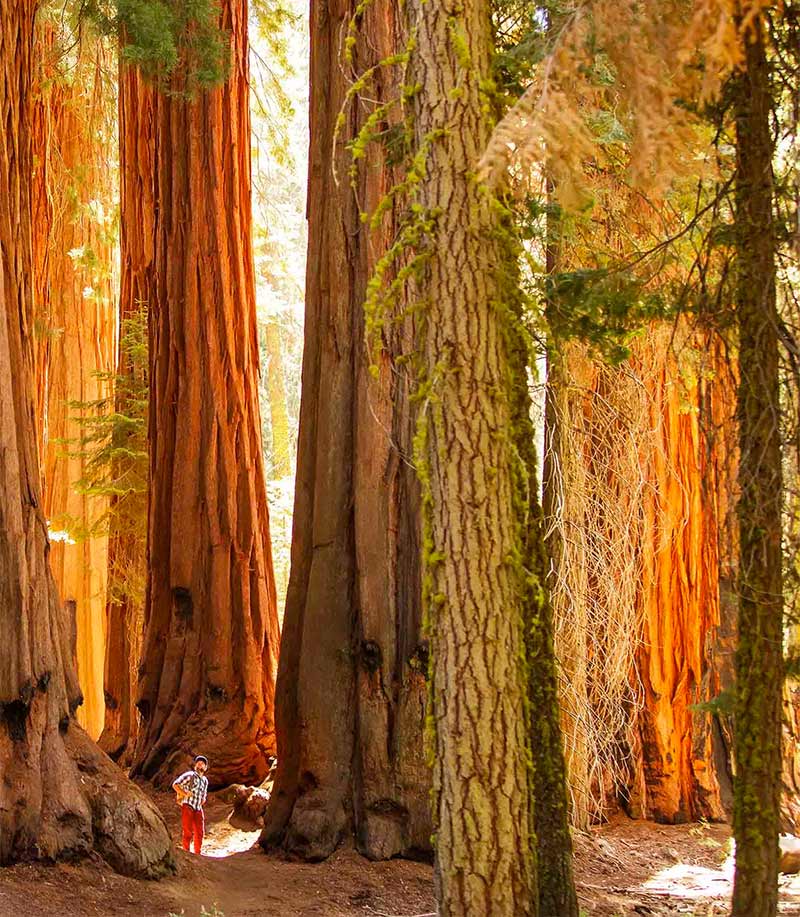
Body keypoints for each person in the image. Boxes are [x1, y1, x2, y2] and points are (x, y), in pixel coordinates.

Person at [172, 755, 209, 854]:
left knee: (200, 832)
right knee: (188, 831)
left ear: (205, 767)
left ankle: (197, 853)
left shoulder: (205, 781)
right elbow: (175, 784)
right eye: (198, 762)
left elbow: (204, 794)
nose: (199, 764)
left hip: (198, 807)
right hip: (188, 805)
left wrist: (203, 800)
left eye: (202, 763)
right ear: (195, 765)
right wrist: (185, 793)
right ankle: (186, 852)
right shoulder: (190, 775)